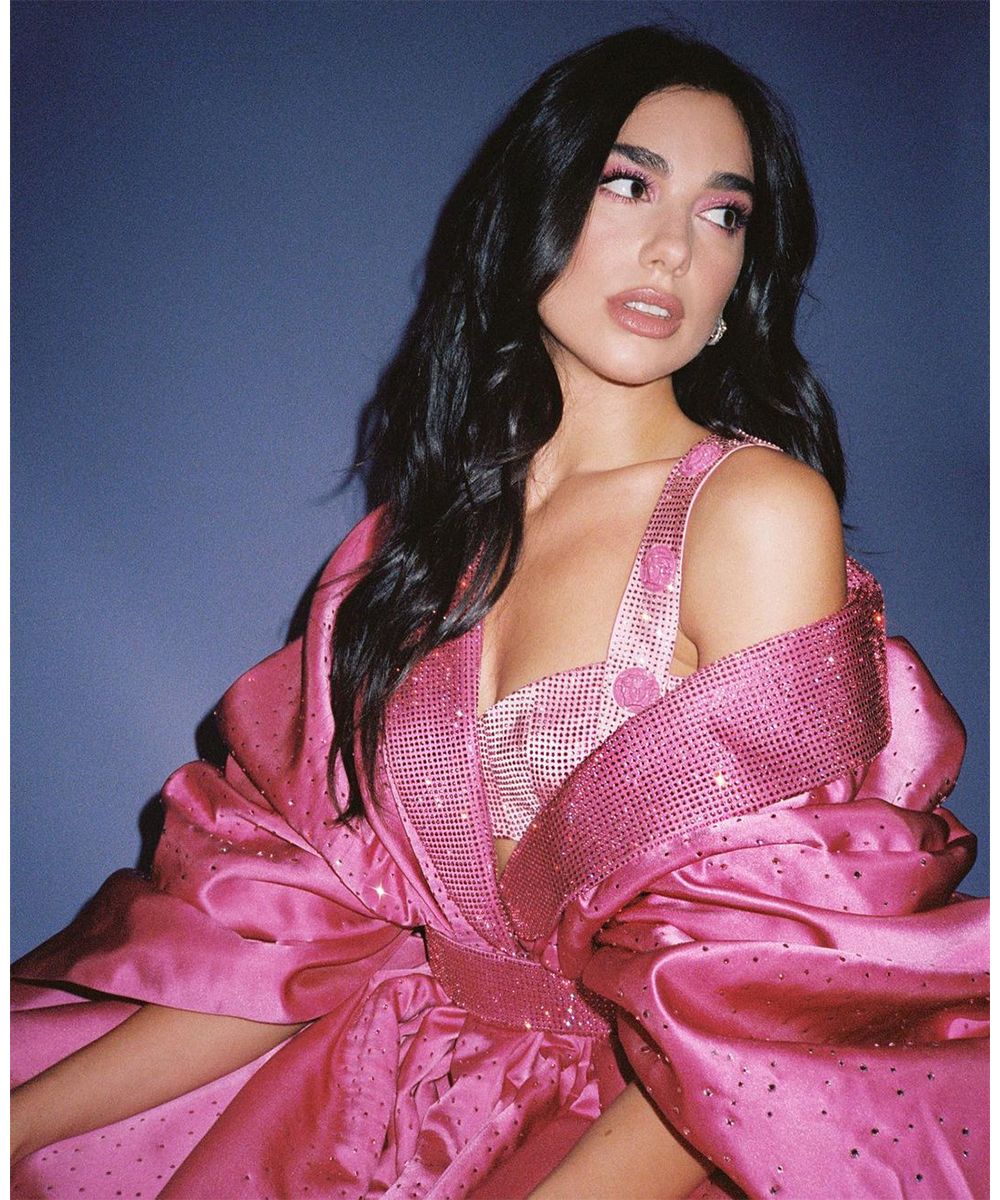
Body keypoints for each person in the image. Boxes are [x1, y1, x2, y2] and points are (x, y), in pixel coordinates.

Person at [10, 25, 987, 1200]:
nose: (673, 247)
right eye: (627, 183)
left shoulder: (755, 514)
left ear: (743, 277)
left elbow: (761, 1022)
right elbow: (302, 946)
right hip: (389, 1102)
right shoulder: (408, 551)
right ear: (530, 210)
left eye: (723, 214)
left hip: (645, 1140)